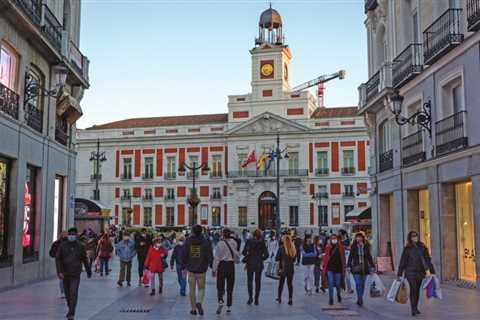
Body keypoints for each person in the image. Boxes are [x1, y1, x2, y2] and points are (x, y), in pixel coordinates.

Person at [55, 227, 92, 320]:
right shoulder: (62, 246)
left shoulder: (80, 246)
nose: (71, 236)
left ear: (76, 236)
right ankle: (70, 307)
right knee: (67, 294)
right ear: (68, 235)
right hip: (65, 273)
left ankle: (71, 313)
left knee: (73, 292)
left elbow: (84, 259)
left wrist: (88, 271)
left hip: (75, 273)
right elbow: (58, 259)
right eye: (70, 234)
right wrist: (59, 271)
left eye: (73, 235)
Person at [397, 231, 436, 317]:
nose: (415, 237)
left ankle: (415, 307)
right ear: (410, 238)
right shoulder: (407, 248)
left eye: (416, 236)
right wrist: (399, 273)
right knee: (413, 289)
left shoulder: (422, 246)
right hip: (410, 272)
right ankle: (413, 308)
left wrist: (432, 271)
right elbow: (403, 261)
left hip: (420, 272)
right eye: (413, 236)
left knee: (417, 290)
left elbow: (427, 259)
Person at [181, 224, 214, 316]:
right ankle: (199, 301)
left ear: (193, 232)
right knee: (201, 288)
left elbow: (184, 254)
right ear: (201, 231)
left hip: (191, 269)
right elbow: (209, 255)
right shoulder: (206, 241)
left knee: (191, 290)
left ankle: (193, 309)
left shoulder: (188, 241)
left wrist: (183, 266)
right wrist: (212, 266)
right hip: (201, 270)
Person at [212, 228, 240, 315]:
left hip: (222, 265)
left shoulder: (220, 244)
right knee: (230, 286)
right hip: (231, 266)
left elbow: (217, 258)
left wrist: (214, 269)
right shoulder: (234, 242)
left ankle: (220, 300)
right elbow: (236, 253)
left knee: (220, 284)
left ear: (223, 234)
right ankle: (229, 306)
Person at [347, 232, 375, 306]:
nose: (359, 239)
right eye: (357, 237)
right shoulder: (353, 246)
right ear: (355, 238)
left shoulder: (366, 246)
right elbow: (350, 257)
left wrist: (372, 266)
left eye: (360, 237)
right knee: (358, 283)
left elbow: (369, 257)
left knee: (362, 284)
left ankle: (360, 297)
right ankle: (360, 298)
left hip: (365, 268)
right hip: (356, 267)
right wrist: (348, 266)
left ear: (362, 238)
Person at [242, 229, 269, 305]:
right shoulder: (262, 242)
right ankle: (256, 299)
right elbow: (266, 255)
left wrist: (248, 254)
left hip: (250, 263)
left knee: (249, 281)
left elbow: (244, 252)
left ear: (253, 234)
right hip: (259, 264)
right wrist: (261, 259)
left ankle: (250, 298)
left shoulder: (249, 241)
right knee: (258, 282)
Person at [321, 234, 346, 305]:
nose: (334, 240)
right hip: (330, 268)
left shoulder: (341, 247)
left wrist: (344, 267)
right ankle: (331, 299)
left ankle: (338, 294)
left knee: (338, 284)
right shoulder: (328, 247)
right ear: (330, 240)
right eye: (332, 238)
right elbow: (326, 257)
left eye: (335, 238)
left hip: (338, 268)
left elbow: (343, 258)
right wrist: (323, 265)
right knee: (331, 283)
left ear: (337, 239)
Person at [275, 235, 296, 305]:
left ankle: (279, 297)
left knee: (281, 283)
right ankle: (290, 299)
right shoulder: (293, 248)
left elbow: (276, 258)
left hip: (283, 268)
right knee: (290, 284)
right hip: (291, 268)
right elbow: (294, 260)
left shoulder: (281, 248)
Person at [50, 231, 68, 298]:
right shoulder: (56, 244)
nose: (65, 235)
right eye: (64, 234)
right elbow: (51, 253)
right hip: (60, 263)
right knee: (62, 278)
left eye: (66, 234)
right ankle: (63, 292)